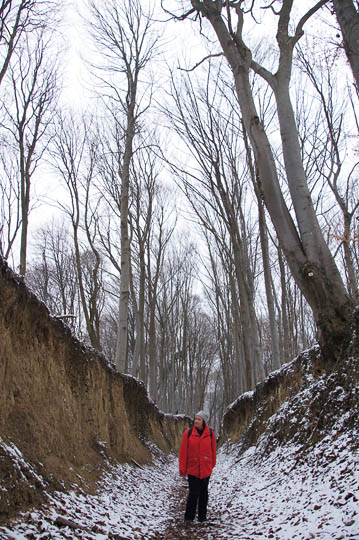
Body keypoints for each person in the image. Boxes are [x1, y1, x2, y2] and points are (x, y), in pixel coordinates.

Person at [179, 410, 216, 526]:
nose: (196, 421)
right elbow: (183, 452)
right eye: (195, 419)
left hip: (205, 469)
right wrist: (182, 468)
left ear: (204, 421)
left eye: (199, 419)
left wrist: (211, 465)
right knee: (193, 493)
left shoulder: (210, 434)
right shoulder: (188, 433)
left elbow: (213, 451)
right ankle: (189, 518)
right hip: (193, 469)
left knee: (204, 494)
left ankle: (202, 517)